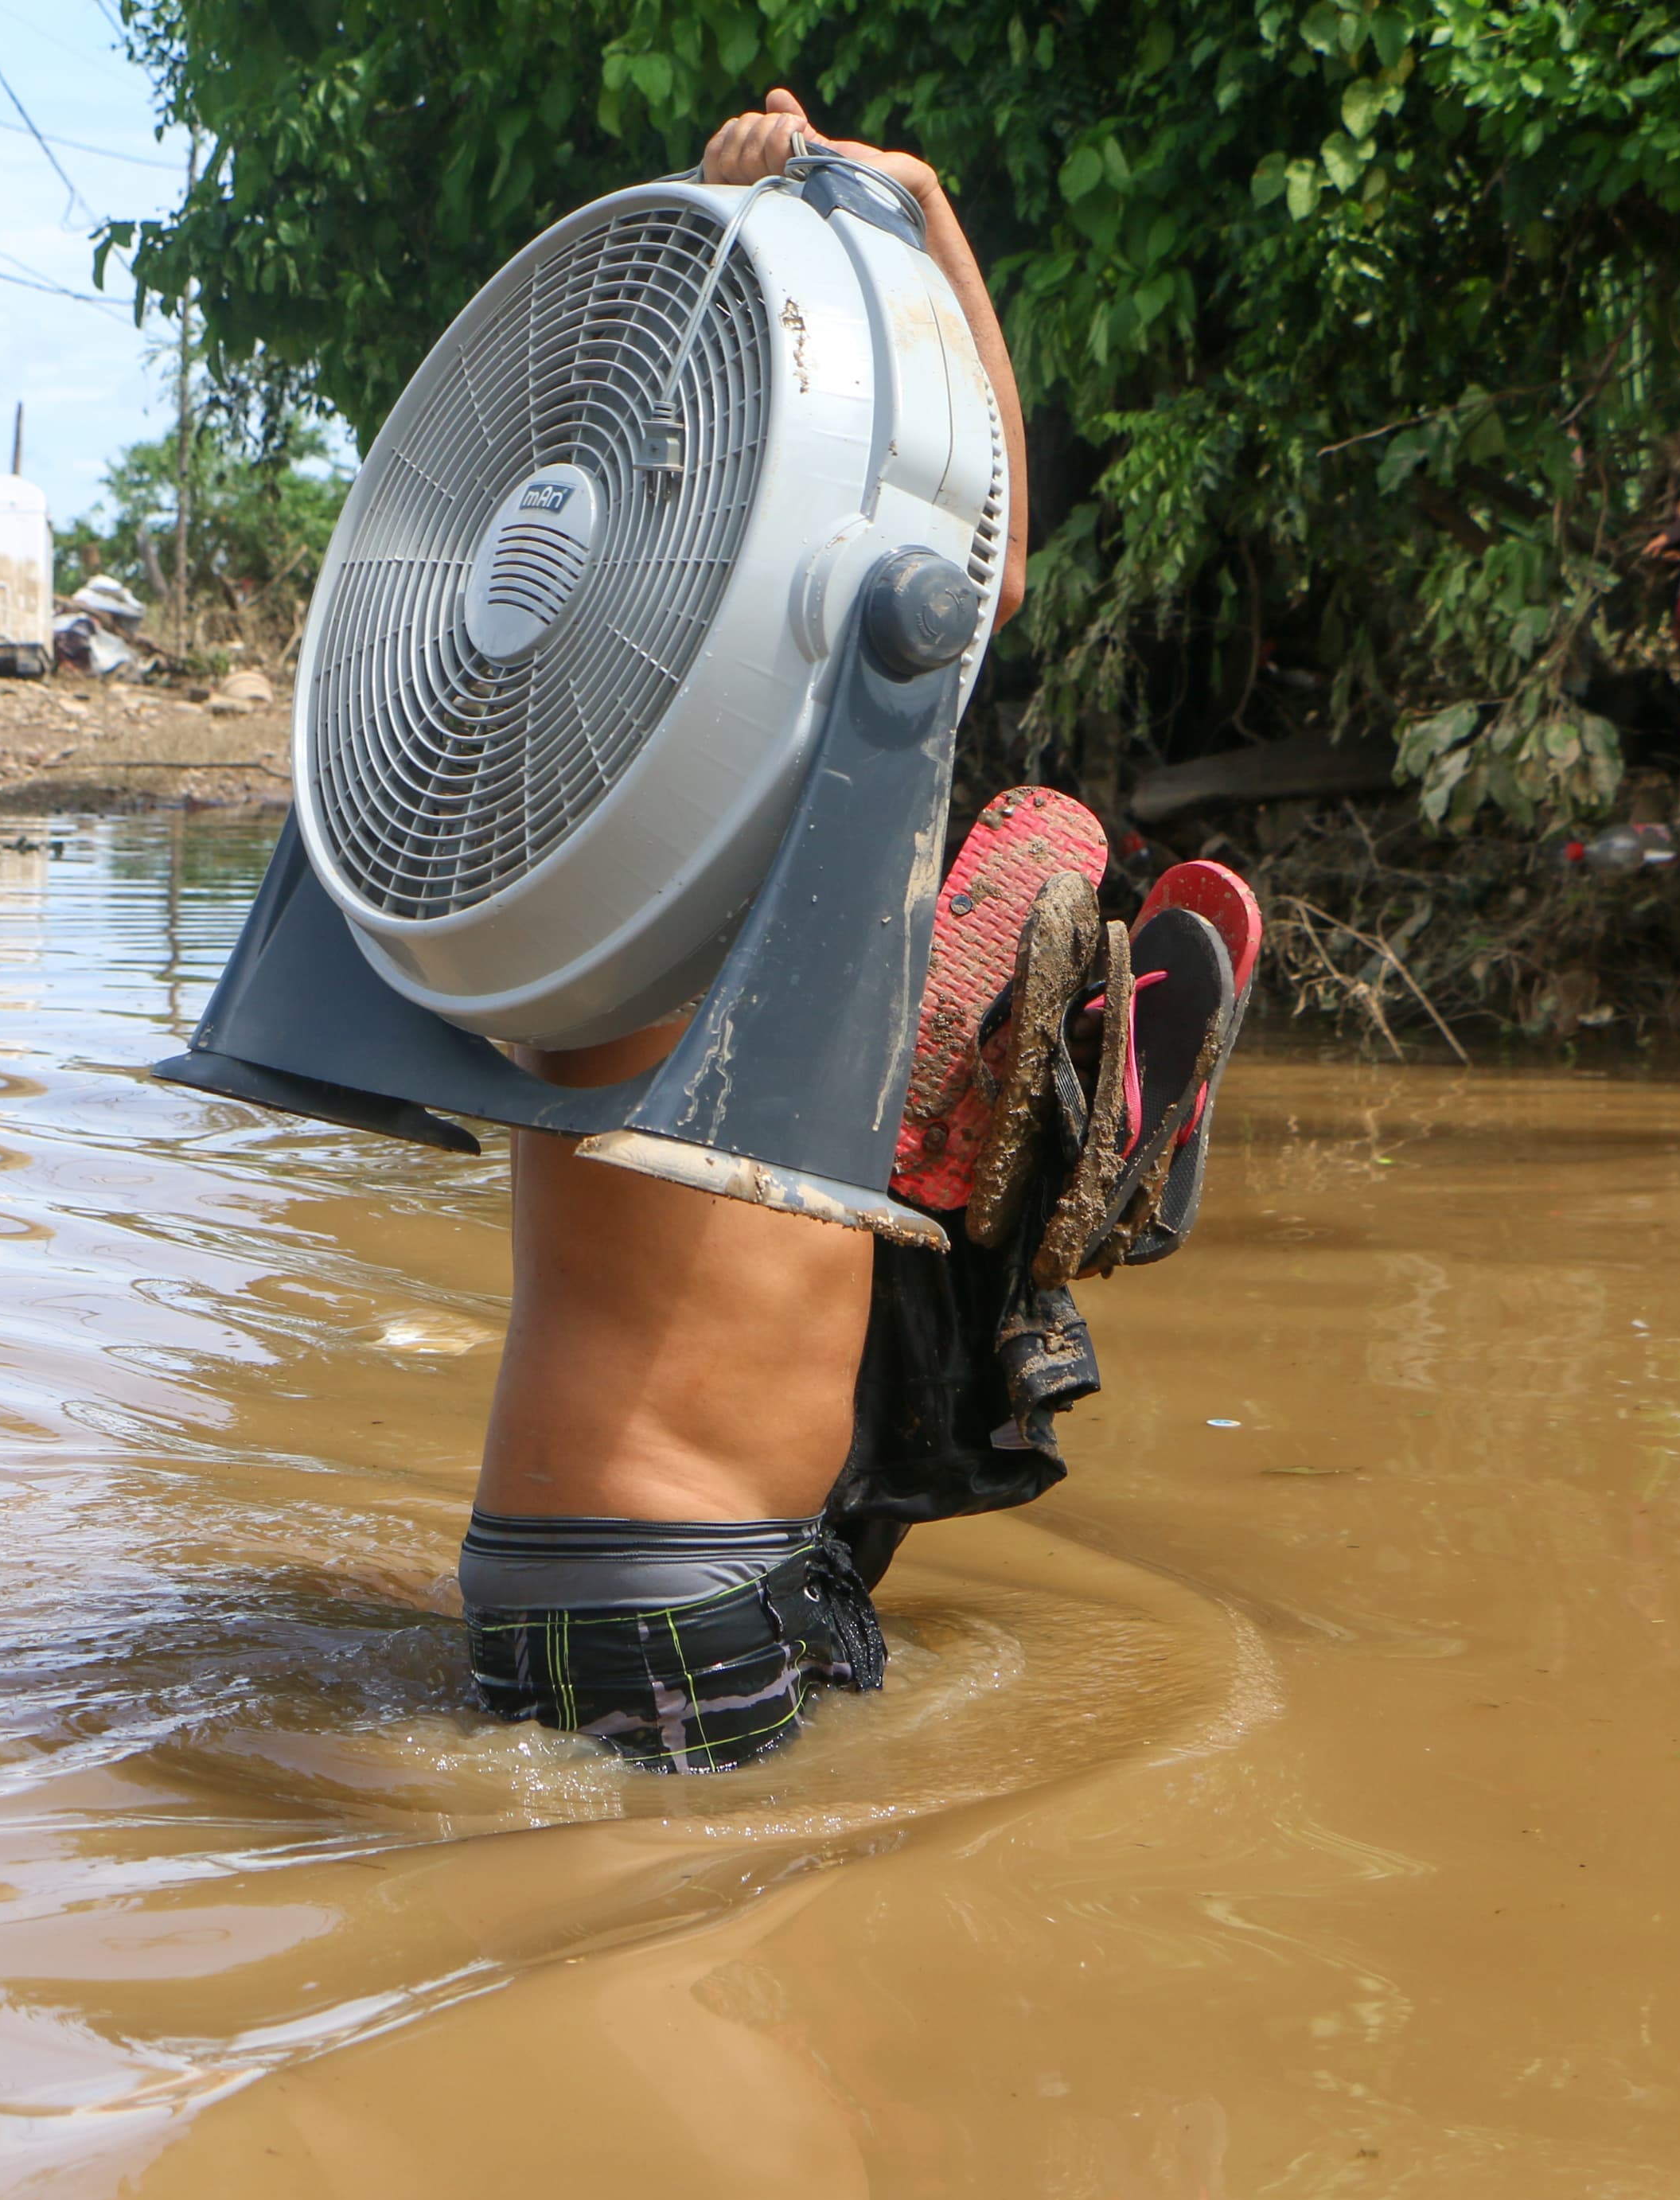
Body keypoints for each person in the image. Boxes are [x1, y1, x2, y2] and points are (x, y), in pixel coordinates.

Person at [456, 89, 1039, 1773]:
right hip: (680, 1582)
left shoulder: (550, 860)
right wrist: (919, 210)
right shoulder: (745, 867)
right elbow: (982, 573)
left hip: (566, 1564)